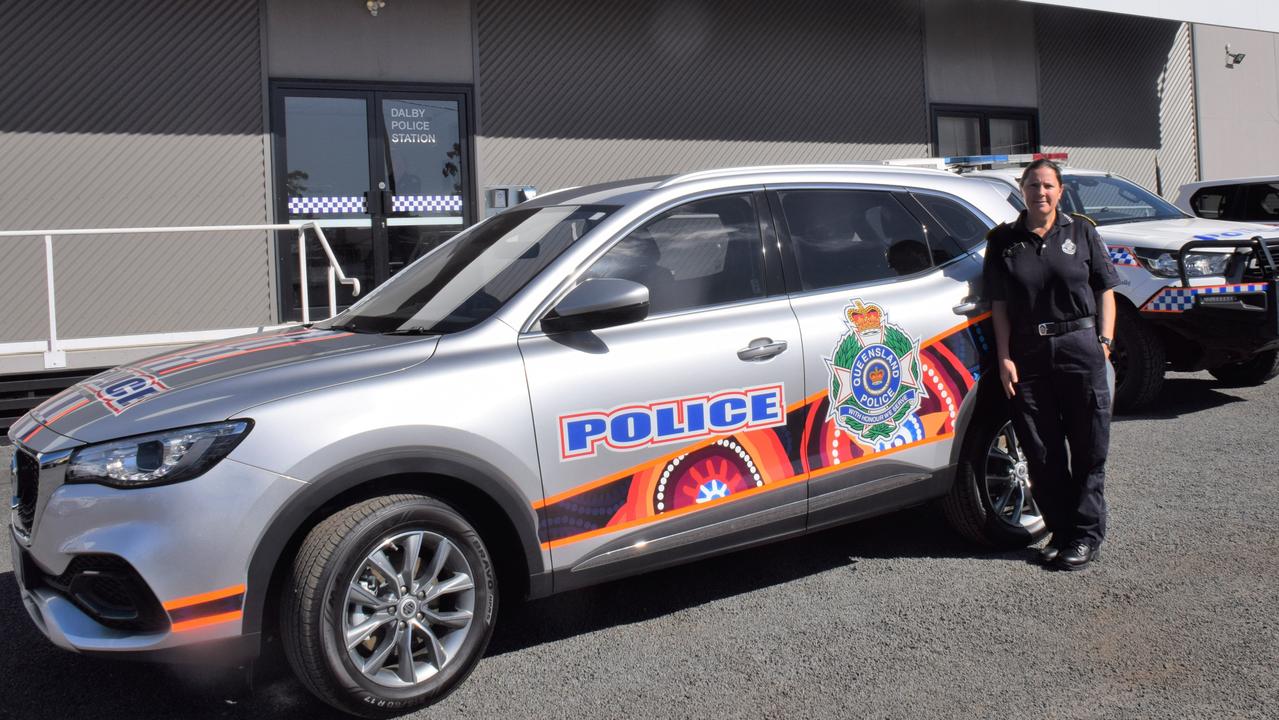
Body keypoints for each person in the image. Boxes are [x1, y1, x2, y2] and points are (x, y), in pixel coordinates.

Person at [982, 159, 1121, 571]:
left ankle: (1085, 535)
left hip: (1081, 346)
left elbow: (1105, 290)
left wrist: (1105, 343)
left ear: (1060, 191)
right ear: (1021, 191)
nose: (1039, 192)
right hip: (1028, 355)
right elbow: (1000, 306)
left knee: (1088, 446)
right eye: (1031, 185)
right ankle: (1061, 532)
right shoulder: (1003, 241)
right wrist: (1004, 355)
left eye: (1047, 185)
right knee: (1042, 452)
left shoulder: (1082, 231)